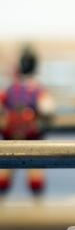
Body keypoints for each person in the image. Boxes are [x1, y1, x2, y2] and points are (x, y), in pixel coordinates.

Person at [0, 46, 55, 195]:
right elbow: (47, 109)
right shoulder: (38, 90)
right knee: (35, 171)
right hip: (32, 137)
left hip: (10, 137)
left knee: (5, 170)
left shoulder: (11, 89)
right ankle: (37, 208)